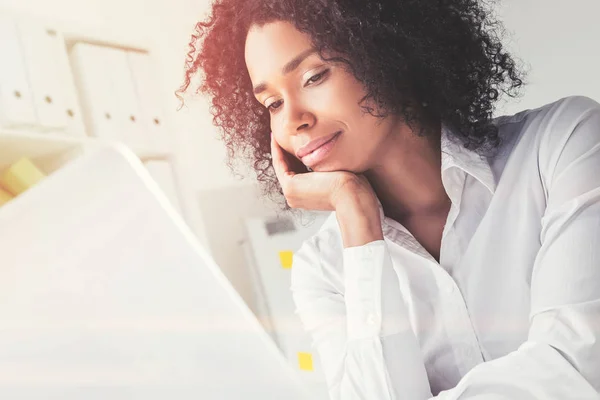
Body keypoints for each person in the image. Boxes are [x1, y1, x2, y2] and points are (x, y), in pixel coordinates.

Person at [177, 0, 600, 398]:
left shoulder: (564, 144)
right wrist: (356, 218)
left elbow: (576, 369)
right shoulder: (323, 268)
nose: (293, 122)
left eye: (313, 77)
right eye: (271, 103)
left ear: (385, 49)